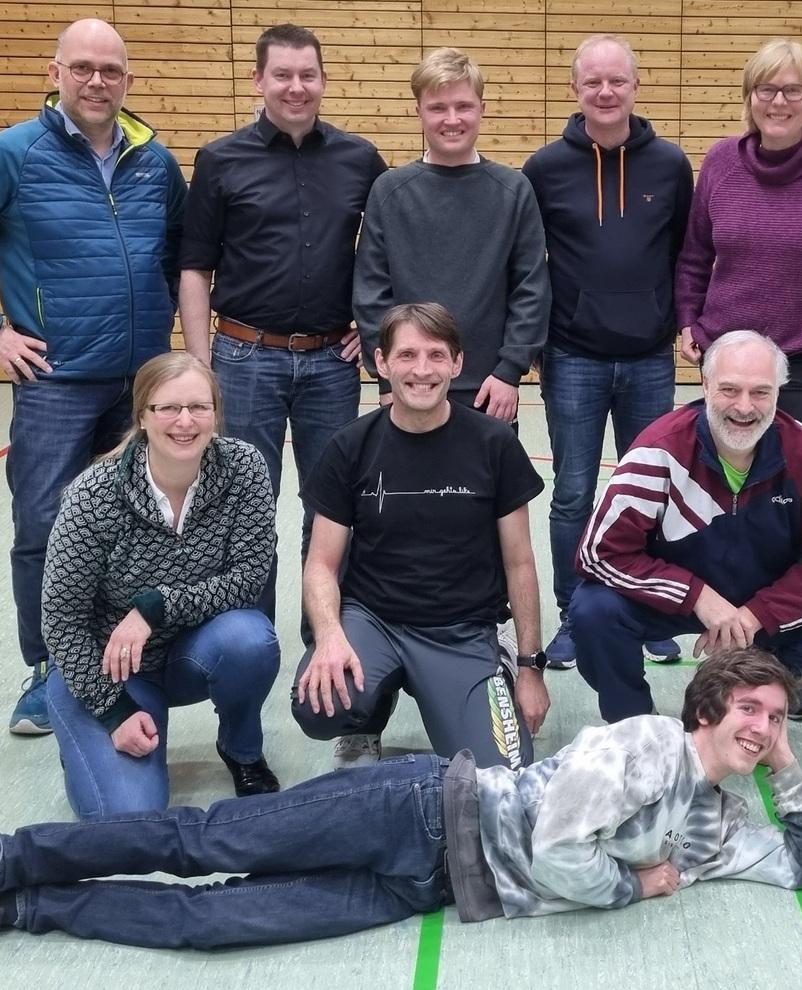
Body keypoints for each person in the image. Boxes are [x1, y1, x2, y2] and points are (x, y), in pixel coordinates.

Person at [0, 648, 802, 952]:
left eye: (775, 718)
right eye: (749, 710)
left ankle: (9, 910)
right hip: (417, 809)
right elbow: (556, 846)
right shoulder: (645, 743)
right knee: (202, 841)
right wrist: (636, 886)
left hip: (426, 888)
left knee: (213, 926)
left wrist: (789, 769)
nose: (761, 726)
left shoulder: (717, 825)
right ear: (708, 709)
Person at [0, 18, 187, 735]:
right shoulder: (11, 154)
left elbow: (180, 255)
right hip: (56, 381)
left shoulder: (156, 162)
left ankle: (134, 652)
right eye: (82, 67)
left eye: (111, 70)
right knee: (44, 524)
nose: (97, 81)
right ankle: (50, 666)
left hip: (142, 383)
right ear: (54, 73)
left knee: (144, 523)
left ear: (128, 80)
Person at [179, 24, 387, 622]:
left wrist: (371, 326)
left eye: (307, 75)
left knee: (330, 507)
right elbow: (194, 267)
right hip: (244, 359)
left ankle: (324, 637)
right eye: (282, 75)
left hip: (332, 362)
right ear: (258, 80)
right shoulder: (220, 160)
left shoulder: (360, 159)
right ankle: (251, 639)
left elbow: (390, 251)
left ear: (323, 80)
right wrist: (199, 365)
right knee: (245, 506)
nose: (296, 87)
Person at [291, 303, 549, 770]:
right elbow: (322, 564)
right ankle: (367, 715)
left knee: (504, 773)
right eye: (407, 355)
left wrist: (532, 668)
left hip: (461, 629)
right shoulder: (350, 446)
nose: (423, 370)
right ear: (382, 362)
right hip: (374, 619)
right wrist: (329, 636)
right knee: (318, 706)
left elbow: (520, 562)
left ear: (457, 363)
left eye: (436, 355)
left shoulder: (495, 444)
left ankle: (499, 659)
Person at [571, 331, 802, 722]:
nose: (744, 407)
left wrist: (754, 615)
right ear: (705, 384)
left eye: (760, 392)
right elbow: (598, 553)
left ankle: (756, 704)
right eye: (730, 389)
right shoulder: (658, 451)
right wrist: (697, 596)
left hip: (761, 601)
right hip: (677, 599)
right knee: (594, 610)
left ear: (779, 391)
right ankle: (633, 719)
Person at [40, 353, 281, 818]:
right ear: (143, 416)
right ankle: (87, 741)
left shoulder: (244, 467)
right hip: (107, 667)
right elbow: (61, 621)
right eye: (168, 408)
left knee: (250, 640)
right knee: (128, 817)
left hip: (190, 653)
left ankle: (242, 748)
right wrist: (114, 712)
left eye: (199, 407)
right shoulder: (93, 495)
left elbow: (250, 576)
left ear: (216, 413)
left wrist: (155, 608)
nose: (185, 422)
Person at [522, 34, 694, 669]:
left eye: (617, 80)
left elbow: (686, 253)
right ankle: (574, 614)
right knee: (573, 492)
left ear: (635, 86)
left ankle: (648, 611)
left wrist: (680, 323)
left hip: (649, 357)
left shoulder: (670, 164)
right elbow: (527, 263)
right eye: (592, 81)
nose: (605, 91)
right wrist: (534, 343)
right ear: (575, 89)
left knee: (650, 490)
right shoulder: (544, 168)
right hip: (573, 357)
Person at [673, 38, 802, 434]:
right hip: (725, 353)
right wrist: (687, 322)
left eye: (793, 90)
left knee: (789, 470)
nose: (779, 102)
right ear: (750, 97)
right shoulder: (720, 161)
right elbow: (694, 256)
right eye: (766, 89)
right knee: (722, 466)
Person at [352, 47, 551, 422]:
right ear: (419, 112)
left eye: (463, 106)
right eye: (438, 108)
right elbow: (371, 292)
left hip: (490, 389)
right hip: (410, 386)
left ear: (482, 109)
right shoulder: (389, 191)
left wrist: (510, 370)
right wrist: (387, 378)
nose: (452, 119)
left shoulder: (514, 190)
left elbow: (531, 288)